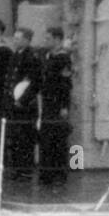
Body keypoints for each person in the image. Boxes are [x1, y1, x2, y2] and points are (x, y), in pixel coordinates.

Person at [4, 26, 42, 180]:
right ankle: (17, 169)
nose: (15, 40)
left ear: (27, 40)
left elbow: (35, 83)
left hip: (25, 105)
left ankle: (25, 171)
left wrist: (23, 100)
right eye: (15, 37)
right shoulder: (15, 55)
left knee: (25, 138)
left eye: (18, 38)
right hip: (13, 102)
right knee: (15, 138)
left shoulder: (32, 57)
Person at [38, 27, 73, 186]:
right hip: (47, 101)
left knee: (58, 139)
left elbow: (66, 84)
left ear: (58, 39)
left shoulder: (63, 58)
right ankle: (47, 173)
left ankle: (59, 173)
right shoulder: (48, 56)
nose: (46, 41)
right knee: (46, 138)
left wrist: (65, 106)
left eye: (49, 38)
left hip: (58, 103)